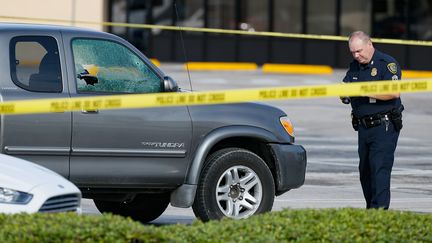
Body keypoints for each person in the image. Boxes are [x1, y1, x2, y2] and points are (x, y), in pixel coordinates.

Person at [341, 31, 404, 209]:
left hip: (384, 125)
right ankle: (371, 209)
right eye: (353, 52)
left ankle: (380, 213)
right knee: (365, 171)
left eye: (359, 51)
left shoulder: (387, 64)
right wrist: (344, 93)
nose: (356, 55)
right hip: (363, 127)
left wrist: (362, 90)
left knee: (379, 170)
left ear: (370, 45)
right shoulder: (355, 66)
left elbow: (393, 92)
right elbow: (345, 87)